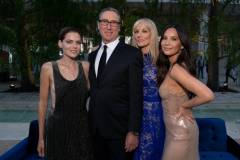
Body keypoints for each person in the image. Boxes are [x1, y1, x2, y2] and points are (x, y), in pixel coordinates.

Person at [88, 7, 143, 160]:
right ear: (98, 25)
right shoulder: (92, 56)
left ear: (119, 26)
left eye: (114, 22)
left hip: (120, 132)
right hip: (95, 130)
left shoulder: (132, 54)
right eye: (105, 21)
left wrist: (133, 131)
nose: (109, 26)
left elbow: (136, 96)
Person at [157, 24, 214, 160]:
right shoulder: (174, 66)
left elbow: (208, 95)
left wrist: (185, 106)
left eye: (174, 39)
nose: (167, 43)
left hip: (180, 134)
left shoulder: (177, 69)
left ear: (182, 45)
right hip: (177, 132)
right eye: (165, 38)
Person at [37, 27, 93, 160]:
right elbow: (42, 104)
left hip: (83, 129)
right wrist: (41, 138)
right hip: (58, 129)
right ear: (60, 44)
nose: (74, 46)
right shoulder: (48, 68)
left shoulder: (85, 67)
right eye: (69, 42)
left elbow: (98, 96)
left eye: (78, 43)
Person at [131, 18, 165, 160]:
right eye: (136, 31)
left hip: (156, 115)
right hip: (133, 115)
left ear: (153, 34)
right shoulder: (130, 58)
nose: (139, 35)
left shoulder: (162, 60)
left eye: (144, 31)